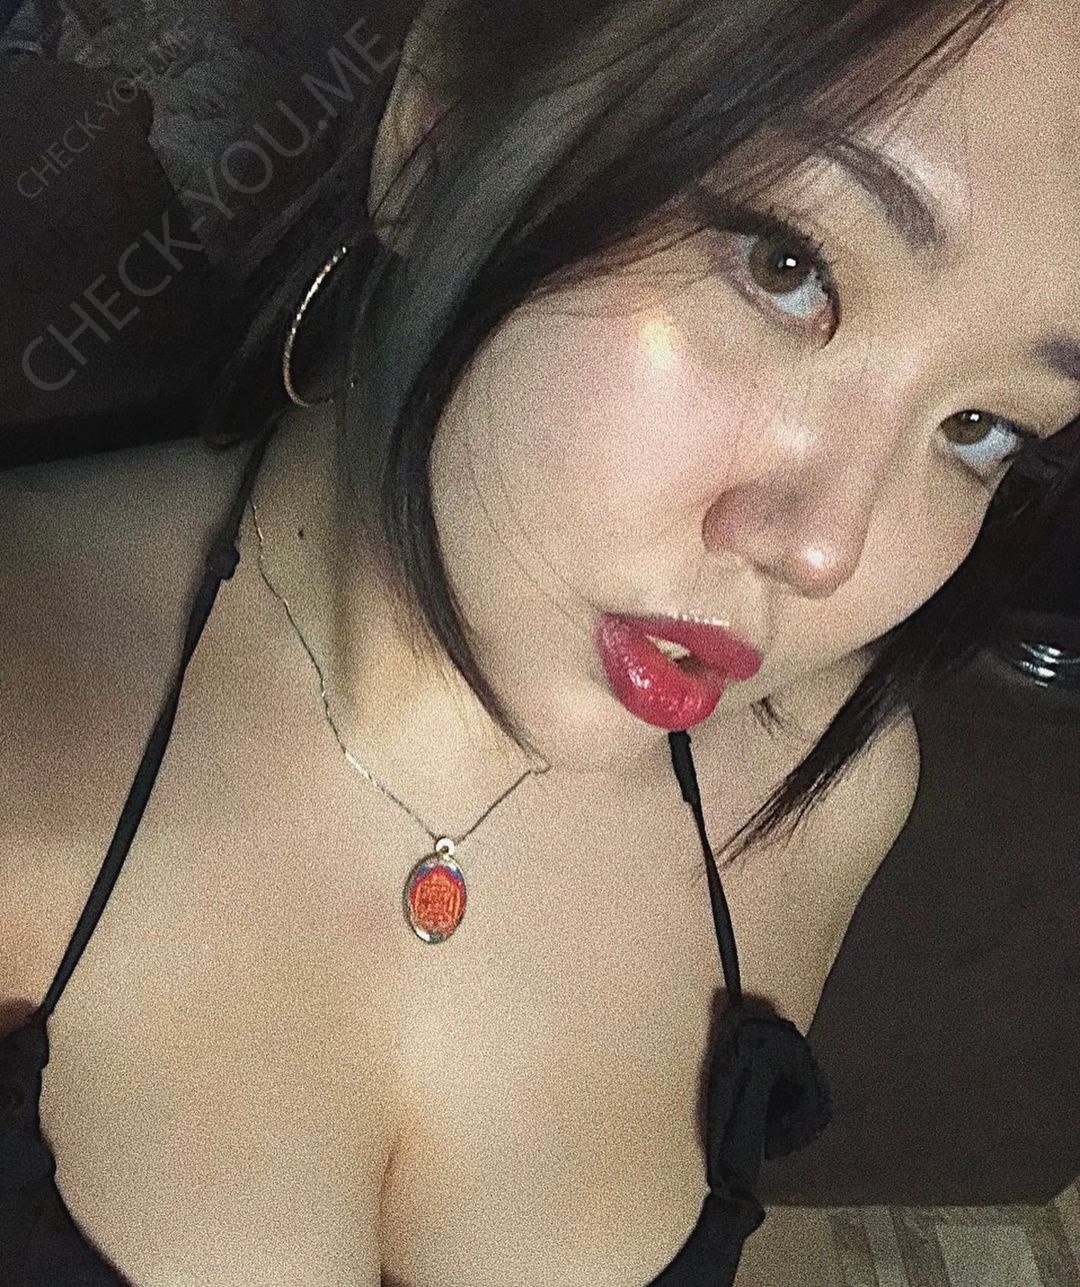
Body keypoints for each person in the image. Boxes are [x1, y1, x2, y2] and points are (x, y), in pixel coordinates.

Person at [1, 0, 1077, 1282]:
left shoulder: (821, 800)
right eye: (787, 267)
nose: (825, 550)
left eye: (981, 429)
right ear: (439, 133)